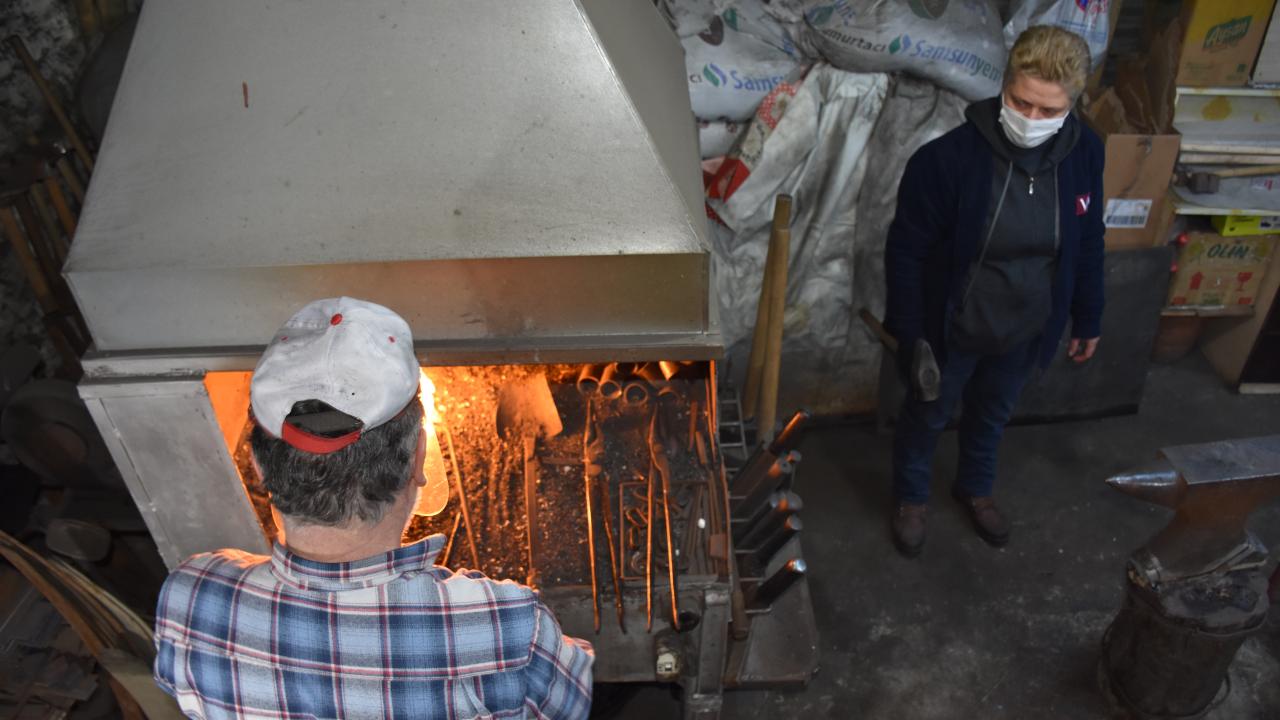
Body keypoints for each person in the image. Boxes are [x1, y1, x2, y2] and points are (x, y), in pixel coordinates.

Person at [152, 297, 594, 718]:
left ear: (257, 466)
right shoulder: (510, 630)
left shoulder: (192, 598)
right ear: (420, 456)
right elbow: (571, 700)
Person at [883, 26, 1104, 558]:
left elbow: (1089, 237)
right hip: (954, 323)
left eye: (1048, 110)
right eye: (1020, 102)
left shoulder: (1084, 154)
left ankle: (975, 489)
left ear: (1072, 105)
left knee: (993, 412)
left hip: (1028, 323)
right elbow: (906, 252)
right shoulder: (945, 162)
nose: (1031, 119)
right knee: (929, 411)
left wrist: (1088, 315)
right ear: (1003, 88)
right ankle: (911, 498)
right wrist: (911, 334)